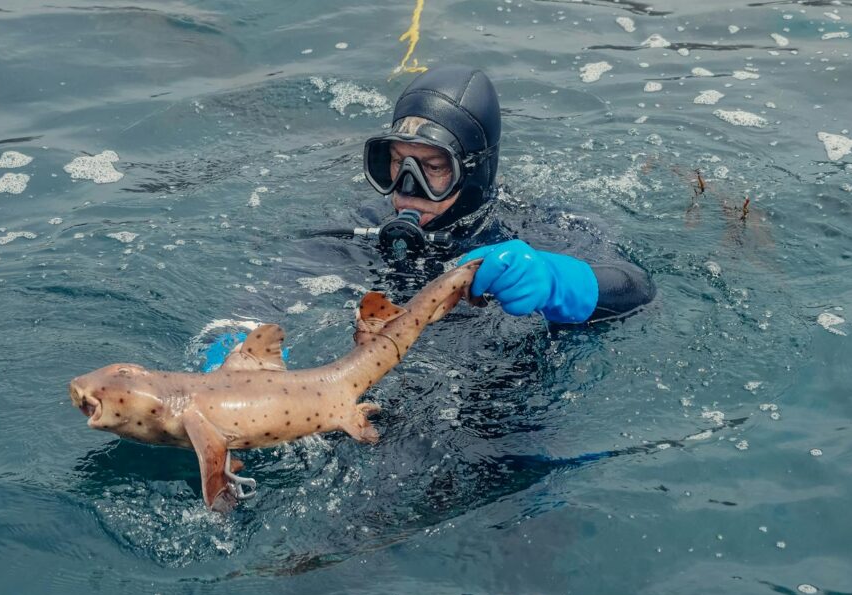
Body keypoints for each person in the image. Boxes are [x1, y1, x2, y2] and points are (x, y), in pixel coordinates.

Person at [203, 64, 654, 370]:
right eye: (400, 163)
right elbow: (273, 295)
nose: (408, 188)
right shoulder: (363, 230)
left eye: (434, 168)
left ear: (474, 170)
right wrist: (230, 343)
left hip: (499, 395)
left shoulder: (532, 229)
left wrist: (556, 279)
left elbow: (637, 285)